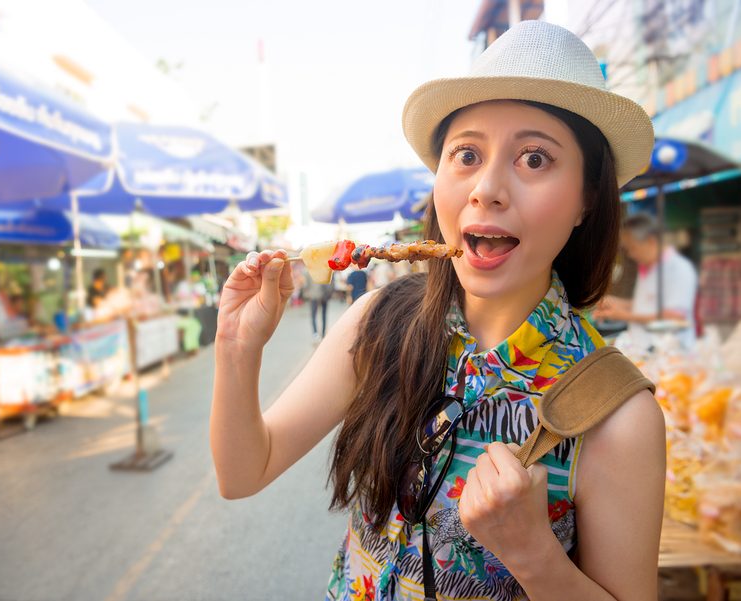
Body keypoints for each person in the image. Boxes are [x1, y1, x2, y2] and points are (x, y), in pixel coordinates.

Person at [211, 20, 665, 600]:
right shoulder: (378, 323)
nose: (487, 188)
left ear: (586, 198)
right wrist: (236, 349)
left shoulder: (616, 414)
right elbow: (245, 471)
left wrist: (534, 555)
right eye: (467, 153)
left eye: (534, 158)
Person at [594, 212, 698, 350]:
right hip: (643, 349)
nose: (631, 254)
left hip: (670, 352)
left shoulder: (679, 269)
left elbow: (675, 317)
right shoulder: (647, 268)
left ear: (651, 241)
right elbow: (647, 304)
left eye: (633, 248)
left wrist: (624, 315)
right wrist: (615, 302)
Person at [301, 275, 334, 342]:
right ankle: (323, 332)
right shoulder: (326, 268)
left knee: (313, 315)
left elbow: (306, 285)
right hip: (324, 295)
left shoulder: (309, 270)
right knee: (323, 314)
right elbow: (331, 283)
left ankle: (315, 333)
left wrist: (307, 294)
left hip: (313, 295)